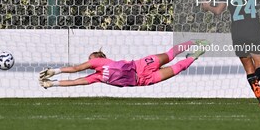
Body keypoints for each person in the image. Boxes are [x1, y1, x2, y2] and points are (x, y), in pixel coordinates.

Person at [201, 0, 260, 106]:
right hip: (254, 30)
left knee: (249, 69)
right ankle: (257, 81)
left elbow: (218, 11)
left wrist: (207, 7)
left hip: (238, 33)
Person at [39, 40, 207, 89]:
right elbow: (76, 81)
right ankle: (195, 55)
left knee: (170, 56)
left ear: (97, 57)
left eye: (90, 59)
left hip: (140, 65)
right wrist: (53, 84)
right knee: (179, 68)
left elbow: (76, 69)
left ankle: (194, 41)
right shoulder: (96, 77)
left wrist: (55, 71)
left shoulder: (100, 62)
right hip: (142, 80)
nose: (88, 62)